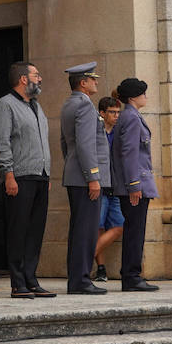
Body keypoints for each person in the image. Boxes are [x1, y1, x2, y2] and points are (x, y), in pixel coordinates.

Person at [0, 61, 54, 299]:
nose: (40, 78)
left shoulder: (36, 106)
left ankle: (31, 278)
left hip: (40, 176)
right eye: (36, 74)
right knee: (18, 230)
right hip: (19, 177)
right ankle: (17, 282)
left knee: (35, 231)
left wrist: (47, 173)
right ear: (23, 79)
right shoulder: (5, 106)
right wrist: (8, 174)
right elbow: (1, 142)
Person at [59, 62, 109, 296]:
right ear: (83, 82)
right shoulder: (85, 106)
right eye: (92, 79)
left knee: (80, 229)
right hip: (85, 177)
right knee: (86, 230)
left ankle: (78, 279)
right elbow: (86, 144)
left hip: (75, 173)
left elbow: (65, 144)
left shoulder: (70, 104)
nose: (96, 82)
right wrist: (93, 177)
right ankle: (80, 280)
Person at [110, 77, 160, 292]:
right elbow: (129, 153)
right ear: (132, 97)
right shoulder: (131, 117)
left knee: (135, 230)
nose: (146, 97)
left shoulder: (131, 116)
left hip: (137, 182)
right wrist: (133, 185)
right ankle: (131, 276)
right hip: (135, 183)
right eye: (143, 93)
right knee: (135, 231)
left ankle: (132, 275)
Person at [93, 96, 123, 282]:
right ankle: (101, 268)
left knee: (119, 226)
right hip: (101, 185)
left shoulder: (119, 133)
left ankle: (84, 258)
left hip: (116, 186)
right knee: (99, 227)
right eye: (112, 112)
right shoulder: (98, 132)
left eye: (118, 112)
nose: (116, 116)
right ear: (102, 113)